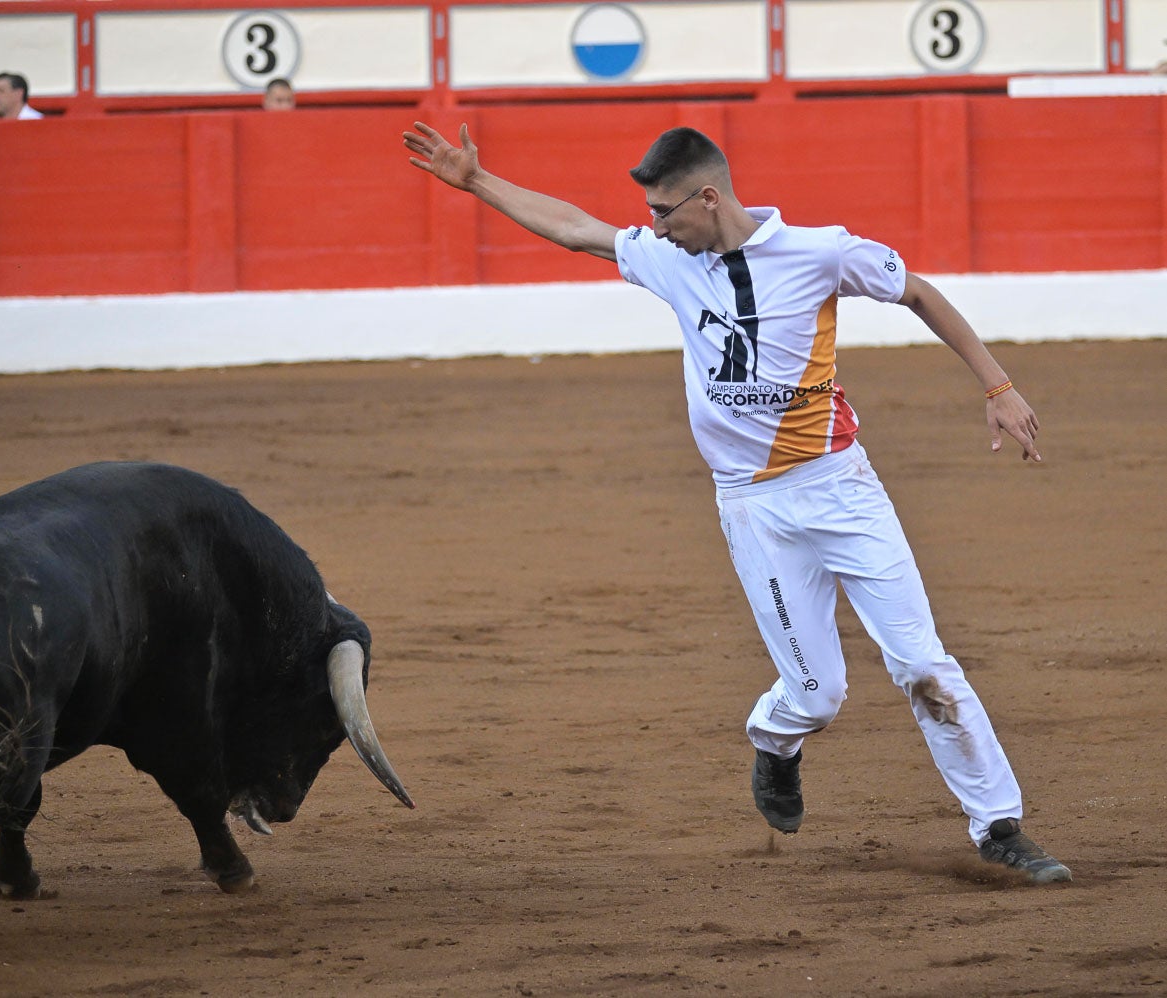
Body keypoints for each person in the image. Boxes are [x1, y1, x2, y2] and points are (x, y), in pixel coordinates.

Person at [403, 120, 1072, 883]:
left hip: (841, 489)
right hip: (754, 511)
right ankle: (774, 738)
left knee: (923, 664)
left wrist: (996, 384)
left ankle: (997, 825)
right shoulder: (667, 259)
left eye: (664, 212)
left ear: (708, 198)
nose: (652, 228)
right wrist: (476, 183)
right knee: (817, 696)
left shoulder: (820, 252)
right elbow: (574, 229)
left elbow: (914, 289)